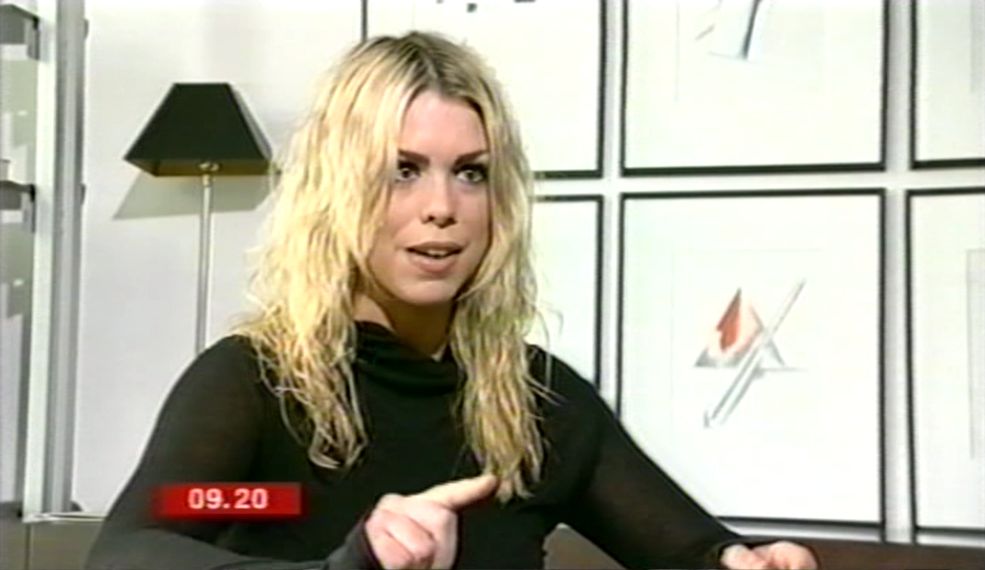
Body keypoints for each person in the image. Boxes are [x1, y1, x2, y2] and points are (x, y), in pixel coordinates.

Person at [85, 32, 819, 570]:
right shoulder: (256, 385)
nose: (442, 207)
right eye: (402, 171)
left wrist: (744, 562)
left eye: (470, 173)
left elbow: (688, 551)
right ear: (337, 190)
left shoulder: (540, 402)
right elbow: (132, 549)